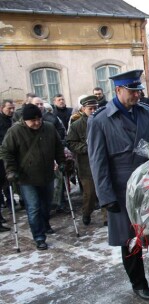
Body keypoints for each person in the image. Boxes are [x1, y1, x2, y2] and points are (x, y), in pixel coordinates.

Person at [88, 70, 149, 300]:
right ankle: (138, 283)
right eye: (133, 91)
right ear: (118, 90)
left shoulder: (147, 113)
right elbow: (98, 162)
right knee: (130, 240)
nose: (138, 95)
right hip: (122, 189)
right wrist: (106, 196)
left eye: (139, 90)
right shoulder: (100, 120)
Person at [0, 104, 66, 250]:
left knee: (46, 204)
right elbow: (6, 152)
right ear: (25, 120)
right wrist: (11, 171)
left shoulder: (49, 128)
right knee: (34, 207)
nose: (37, 123)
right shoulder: (15, 131)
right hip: (26, 178)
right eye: (33, 120)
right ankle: (39, 237)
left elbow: (58, 147)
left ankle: (44, 223)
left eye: (39, 119)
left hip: (47, 174)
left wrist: (62, 162)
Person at [66, 95, 106, 226]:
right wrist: (87, 148)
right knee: (90, 193)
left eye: (95, 107)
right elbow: (71, 143)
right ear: (83, 109)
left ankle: (107, 217)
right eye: (90, 108)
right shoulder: (77, 125)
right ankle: (86, 213)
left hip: (104, 163)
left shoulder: (103, 121)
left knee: (105, 191)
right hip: (86, 165)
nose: (94, 110)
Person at [0, 100, 15, 224]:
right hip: (2, 154)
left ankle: (12, 202)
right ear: (2, 108)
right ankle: (9, 203)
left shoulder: (13, 119)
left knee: (8, 180)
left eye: (13, 108)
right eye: (9, 108)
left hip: (12, 153)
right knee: (4, 180)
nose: (11, 110)